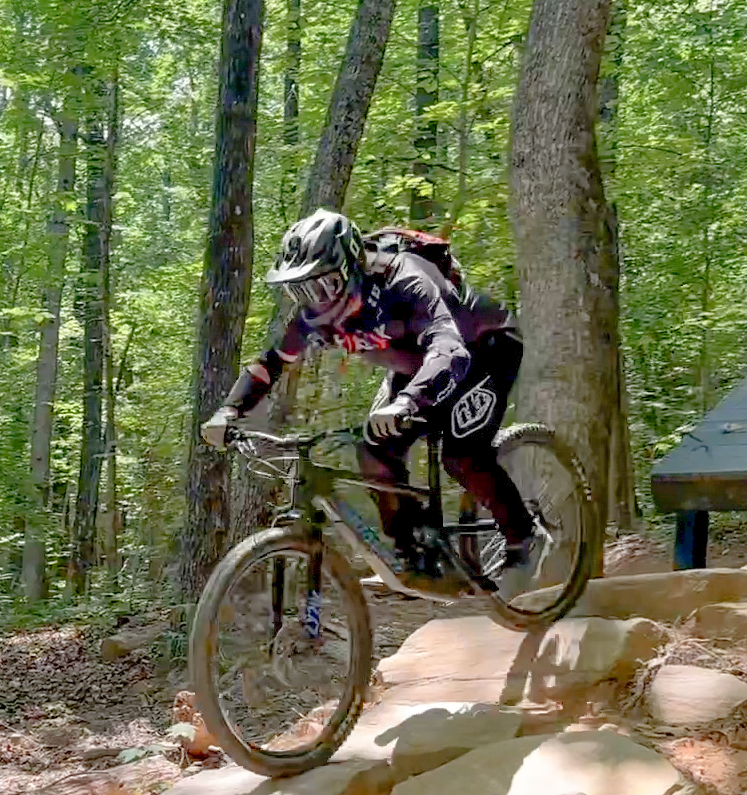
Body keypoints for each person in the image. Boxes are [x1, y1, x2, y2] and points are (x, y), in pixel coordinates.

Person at [201, 208, 548, 601]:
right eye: (299, 290)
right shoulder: (314, 318)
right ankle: (416, 556)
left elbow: (449, 348)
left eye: (321, 286)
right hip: (417, 366)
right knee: (374, 451)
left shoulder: (406, 280)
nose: (312, 301)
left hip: (483, 349)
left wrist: (408, 401)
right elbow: (272, 363)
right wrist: (230, 411)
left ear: (350, 269)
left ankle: (524, 537)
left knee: (463, 455)